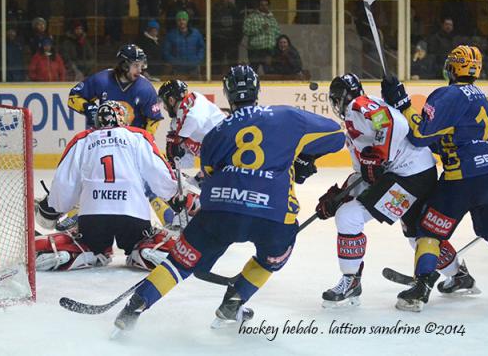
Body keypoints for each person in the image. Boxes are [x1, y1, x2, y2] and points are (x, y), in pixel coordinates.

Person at [112, 65, 346, 335]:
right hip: (272, 216)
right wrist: (304, 157)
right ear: (258, 90)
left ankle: (134, 307)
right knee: (271, 259)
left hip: (219, 212)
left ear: (227, 95)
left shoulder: (217, 132)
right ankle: (234, 302)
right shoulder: (287, 116)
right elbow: (336, 136)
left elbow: (209, 174)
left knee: (179, 262)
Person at [317, 73, 474, 308]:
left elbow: (391, 123)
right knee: (418, 237)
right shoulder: (355, 123)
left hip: (409, 176)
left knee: (348, 217)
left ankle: (351, 281)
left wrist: (379, 155)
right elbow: (366, 173)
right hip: (416, 172)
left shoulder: (358, 106)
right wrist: (340, 195)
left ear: (339, 98)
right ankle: (459, 276)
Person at [381, 45, 488, 312]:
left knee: (428, 231)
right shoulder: (482, 96)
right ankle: (457, 279)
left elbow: (420, 134)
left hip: (461, 179)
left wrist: (402, 104)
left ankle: (420, 289)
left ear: (453, 67)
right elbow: (447, 139)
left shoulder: (449, 94)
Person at [34, 101, 182, 271]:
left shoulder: (82, 140)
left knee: (88, 243)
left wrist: (55, 206)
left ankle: (81, 253)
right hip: (133, 214)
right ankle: (143, 251)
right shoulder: (138, 136)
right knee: (142, 240)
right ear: (122, 119)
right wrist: (173, 194)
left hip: (93, 217)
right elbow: (158, 172)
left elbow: (64, 182)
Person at [68, 44, 163, 135]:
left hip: (132, 143)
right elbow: (74, 97)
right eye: (136, 65)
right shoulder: (102, 80)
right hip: (104, 139)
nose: (140, 70)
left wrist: (145, 140)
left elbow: (154, 119)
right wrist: (88, 108)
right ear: (124, 65)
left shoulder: (146, 88)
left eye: (141, 65)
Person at [158, 79, 225, 170]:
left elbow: (194, 119)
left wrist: (179, 138)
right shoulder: (176, 123)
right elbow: (189, 160)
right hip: (215, 164)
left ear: (171, 100)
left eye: (164, 103)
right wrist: (173, 163)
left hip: (231, 156)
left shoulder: (196, 104)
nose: (164, 108)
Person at [162, 11, 205, 78]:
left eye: (184, 19)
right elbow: (166, 51)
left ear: (187, 21)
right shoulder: (171, 35)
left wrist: (197, 60)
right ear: (176, 21)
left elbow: (201, 48)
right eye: (179, 20)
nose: (182, 22)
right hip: (178, 69)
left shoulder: (196, 33)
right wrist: (174, 62)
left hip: (194, 67)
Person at [243, 0, 281, 71]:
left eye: (266, 5)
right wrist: (260, 29)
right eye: (262, 5)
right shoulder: (251, 17)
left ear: (269, 6)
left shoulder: (272, 18)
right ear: (258, 6)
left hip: (268, 50)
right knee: (253, 71)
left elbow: (277, 33)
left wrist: (275, 47)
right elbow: (246, 31)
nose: (264, 7)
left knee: (269, 71)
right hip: (255, 49)